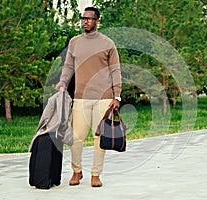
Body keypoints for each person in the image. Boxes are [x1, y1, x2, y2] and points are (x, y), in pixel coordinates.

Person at [55, 7, 121, 187]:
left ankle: (95, 174)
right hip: (81, 96)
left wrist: (117, 96)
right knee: (76, 137)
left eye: (89, 19)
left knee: (99, 138)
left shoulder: (108, 43)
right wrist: (62, 81)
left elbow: (115, 70)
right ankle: (77, 171)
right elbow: (68, 66)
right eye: (83, 18)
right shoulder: (75, 42)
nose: (85, 21)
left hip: (104, 98)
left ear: (97, 21)